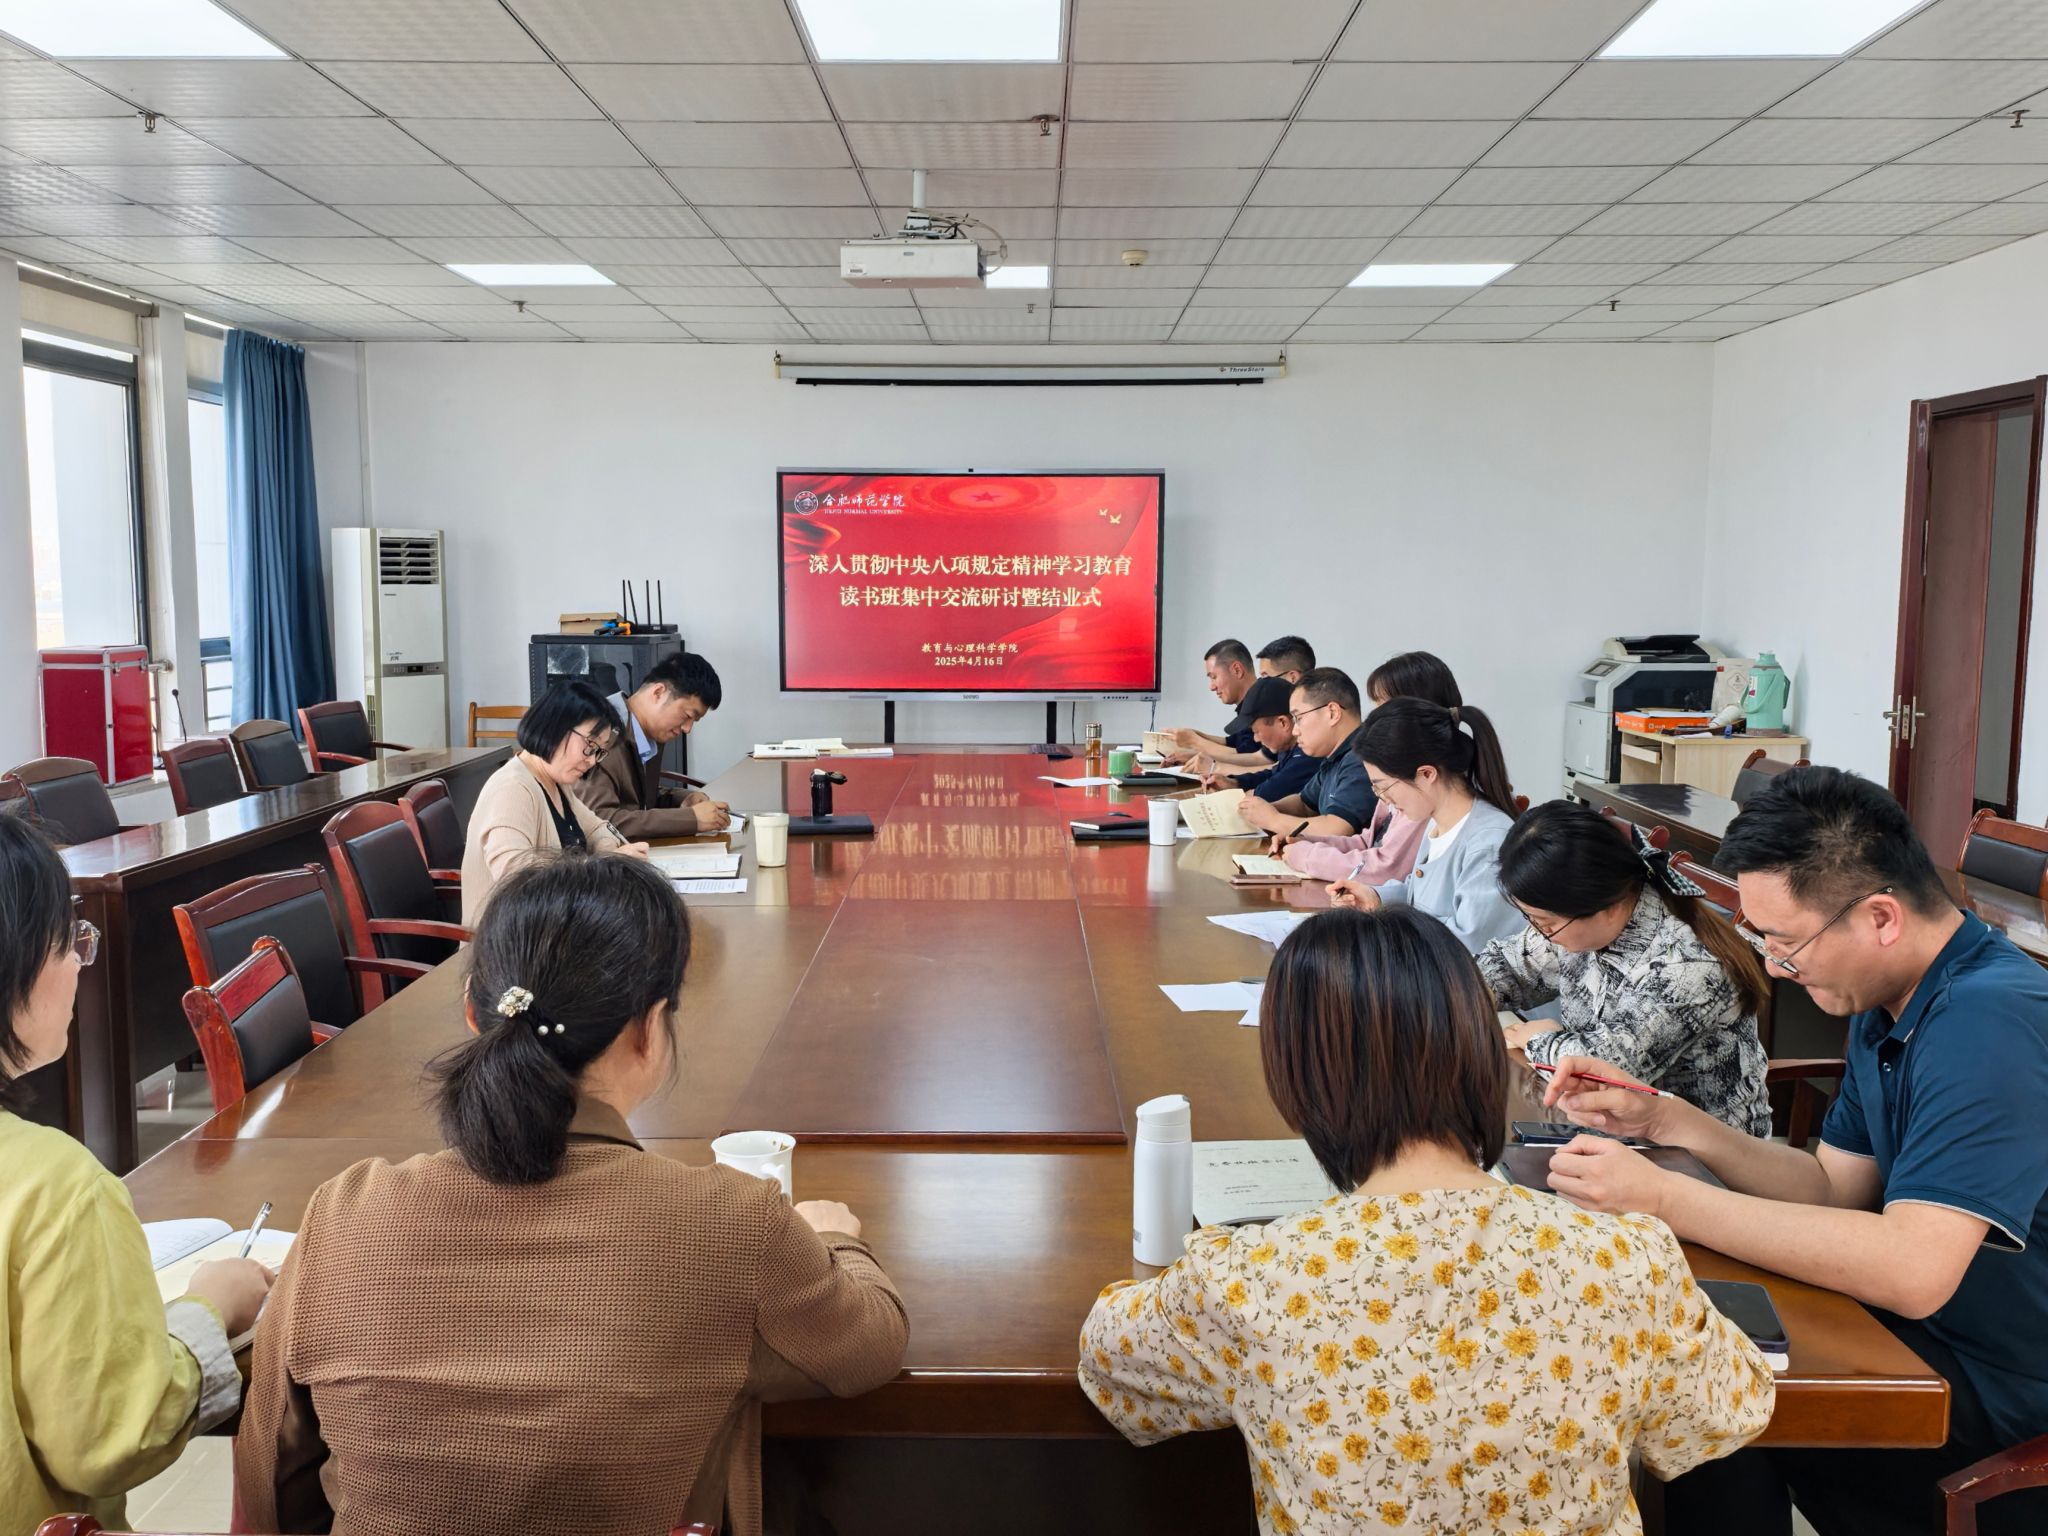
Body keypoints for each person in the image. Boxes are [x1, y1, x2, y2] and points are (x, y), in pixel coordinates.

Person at [236, 853, 909, 1536]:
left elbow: (273, 1474)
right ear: (649, 1028)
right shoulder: (731, 1224)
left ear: (473, 1014)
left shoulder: (346, 1211)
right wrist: (837, 1240)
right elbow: (868, 1349)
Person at [1078, 905, 1773, 1536]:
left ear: (1298, 1075)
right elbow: (1723, 1411)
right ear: (1477, 1047)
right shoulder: (1628, 1260)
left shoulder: (1246, 1281)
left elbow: (1110, 1367)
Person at [1541, 767, 2048, 1536]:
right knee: (1689, 1364)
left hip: (2004, 1398)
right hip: (1920, 1341)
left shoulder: (1989, 1021)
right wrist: (1666, 1120)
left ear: (1881, 917)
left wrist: (1667, 1198)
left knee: (1707, 1404)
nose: (1776, 966)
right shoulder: (1892, 998)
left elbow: (1914, 1271)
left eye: (1786, 941)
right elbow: (1830, 1188)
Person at [0, 811, 272, 1534]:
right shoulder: (54, 1186)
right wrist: (209, 1308)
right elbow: (107, 1439)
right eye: (67, 939)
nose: (78, 964)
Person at [1478, 799, 1772, 1135]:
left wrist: (1538, 1039)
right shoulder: (1584, 920)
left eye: (1547, 923)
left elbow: (1605, 1070)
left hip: (1699, 1151)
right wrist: (1473, 992)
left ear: (1608, 907)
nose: (1541, 932)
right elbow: (1509, 964)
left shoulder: (1687, 966)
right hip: (1608, 1128)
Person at [1327, 697, 1523, 953]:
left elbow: (1469, 945)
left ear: (1427, 774)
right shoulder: (1436, 822)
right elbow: (1420, 894)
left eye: (1383, 787)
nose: (1383, 799)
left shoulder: (1488, 843)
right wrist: (1376, 897)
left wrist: (1387, 932)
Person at [460, 678, 647, 924]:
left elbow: (598, 828)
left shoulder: (556, 782)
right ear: (555, 727)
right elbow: (516, 877)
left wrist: (612, 853)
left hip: (552, 927)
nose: (592, 760)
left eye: (599, 751)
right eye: (590, 745)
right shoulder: (512, 788)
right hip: (513, 939)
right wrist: (600, 865)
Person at [1281, 650, 1459, 884]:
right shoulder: (1398, 771)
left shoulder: (1424, 784)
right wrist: (1309, 842)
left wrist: (1307, 856)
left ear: (1418, 710)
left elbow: (1386, 868)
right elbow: (1371, 841)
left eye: (1383, 707)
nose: (1374, 719)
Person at [576, 652, 732, 836]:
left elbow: (638, 800)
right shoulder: (602, 734)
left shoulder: (647, 734)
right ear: (658, 692)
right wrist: (690, 819)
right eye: (687, 716)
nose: (687, 729)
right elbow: (598, 821)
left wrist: (683, 799)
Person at [1237, 667, 1377, 839]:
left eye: (1299, 718)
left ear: (1332, 713)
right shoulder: (1334, 757)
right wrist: (1267, 809)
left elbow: (1337, 828)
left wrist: (1273, 819)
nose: (1295, 731)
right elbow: (1304, 804)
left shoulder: (1362, 758)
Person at [1193, 676, 1318, 803]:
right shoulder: (1288, 748)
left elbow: (1272, 790)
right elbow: (1272, 775)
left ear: (1282, 723)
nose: (1256, 739)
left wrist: (1242, 793)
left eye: (1256, 731)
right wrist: (1234, 782)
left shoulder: (1309, 752)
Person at [1165, 638, 1264, 767]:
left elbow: (1247, 756)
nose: (1212, 687)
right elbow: (1233, 743)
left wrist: (1194, 741)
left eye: (1214, 677)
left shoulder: (1263, 705)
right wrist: (1195, 738)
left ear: (1237, 670)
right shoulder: (1250, 703)